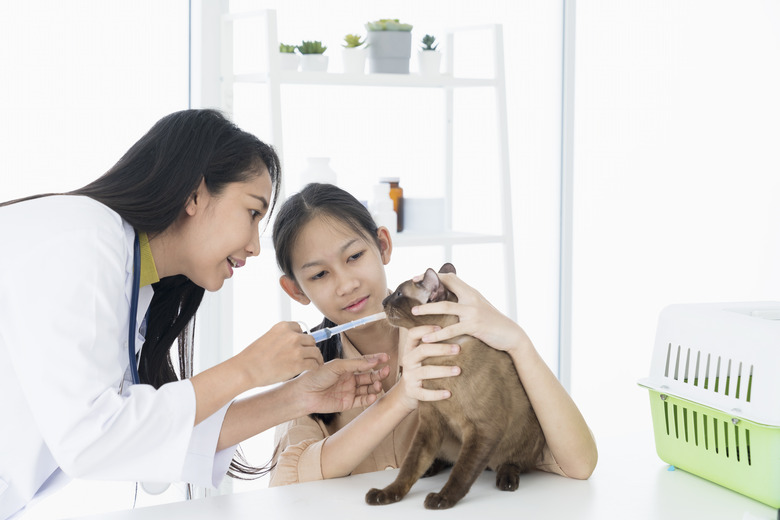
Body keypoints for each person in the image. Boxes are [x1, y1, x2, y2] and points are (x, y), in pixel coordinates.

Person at [0, 110, 389, 520]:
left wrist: (297, 397)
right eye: (253, 212)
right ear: (195, 195)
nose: (255, 246)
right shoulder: (83, 239)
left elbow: (138, 437)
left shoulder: (131, 282)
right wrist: (247, 369)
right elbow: (93, 441)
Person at [269, 182, 598, 486]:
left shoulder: (457, 346)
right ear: (296, 290)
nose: (346, 284)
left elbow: (577, 464)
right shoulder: (308, 369)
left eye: (355, 256)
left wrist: (517, 341)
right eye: (320, 274)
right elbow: (285, 485)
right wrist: (401, 398)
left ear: (382, 245)